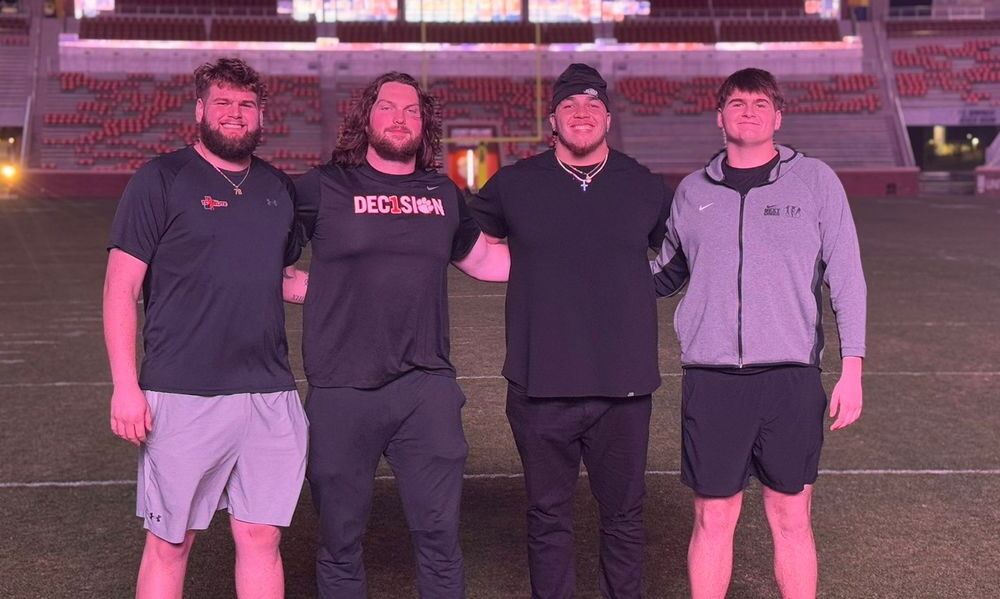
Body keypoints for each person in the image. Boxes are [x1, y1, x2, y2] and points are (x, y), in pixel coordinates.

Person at [282, 71, 509, 599]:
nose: (400, 118)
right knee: (339, 543)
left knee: (440, 540)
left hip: (426, 388)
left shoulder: (442, 192)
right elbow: (264, 259)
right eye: (388, 107)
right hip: (342, 389)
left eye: (411, 110)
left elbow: (484, 261)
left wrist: (564, 254)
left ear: (424, 124)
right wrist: (322, 290)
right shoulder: (323, 187)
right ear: (367, 118)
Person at [650, 68, 866, 599]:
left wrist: (853, 368)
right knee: (712, 516)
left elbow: (847, 275)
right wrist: (592, 256)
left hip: (790, 377)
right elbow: (663, 275)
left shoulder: (815, 181)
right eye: (738, 103)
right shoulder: (692, 192)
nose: (749, 112)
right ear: (719, 116)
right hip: (712, 379)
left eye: (760, 103)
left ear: (778, 117)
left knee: (791, 516)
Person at [468, 63, 675, 599]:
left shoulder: (643, 184)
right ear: (552, 121)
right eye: (569, 106)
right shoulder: (515, 183)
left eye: (592, 106)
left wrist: (637, 288)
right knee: (547, 516)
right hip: (540, 385)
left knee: (624, 516)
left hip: (623, 387)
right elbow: (462, 240)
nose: (582, 114)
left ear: (608, 119)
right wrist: (530, 269)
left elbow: (681, 252)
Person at [103, 58, 307, 599]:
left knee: (262, 536)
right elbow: (120, 288)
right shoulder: (161, 179)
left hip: (269, 391)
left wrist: (366, 285)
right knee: (171, 542)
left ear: (262, 115)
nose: (235, 113)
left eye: (246, 105)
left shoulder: (278, 187)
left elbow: (278, 278)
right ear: (200, 110)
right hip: (183, 391)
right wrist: (125, 386)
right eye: (223, 102)